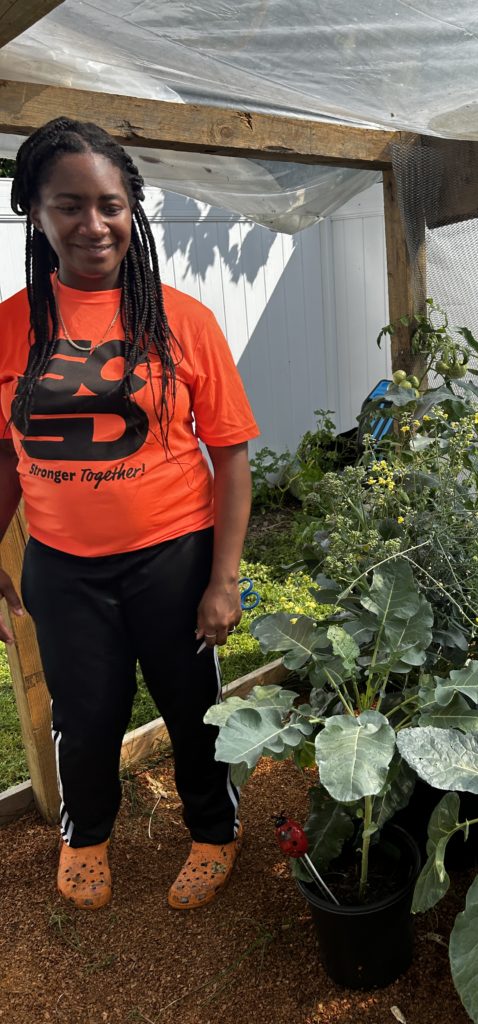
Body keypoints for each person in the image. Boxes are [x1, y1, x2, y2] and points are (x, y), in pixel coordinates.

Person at [0, 118, 259, 911]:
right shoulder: (9, 326)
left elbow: (232, 456)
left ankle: (214, 830)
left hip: (172, 560)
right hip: (62, 568)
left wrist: (223, 578)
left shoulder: (182, 319)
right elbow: (4, 457)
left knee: (195, 711)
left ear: (132, 210)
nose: (92, 224)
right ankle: (86, 836)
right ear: (34, 212)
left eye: (109, 204)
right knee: (84, 718)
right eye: (68, 204)